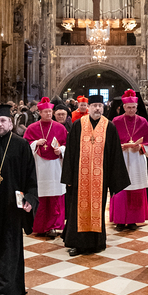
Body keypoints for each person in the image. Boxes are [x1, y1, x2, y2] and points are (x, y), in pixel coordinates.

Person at [0, 105, 38, 295]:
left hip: (13, 205)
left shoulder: (21, 145)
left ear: (11, 124)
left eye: (3, 121)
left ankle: (2, 291)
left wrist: (30, 198)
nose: (0, 124)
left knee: (9, 246)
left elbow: (30, 176)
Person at [61, 93, 130, 256]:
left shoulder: (109, 126)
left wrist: (115, 180)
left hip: (101, 177)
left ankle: (97, 243)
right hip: (79, 177)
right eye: (94, 106)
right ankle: (77, 244)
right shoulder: (78, 125)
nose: (97, 109)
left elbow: (115, 154)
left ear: (103, 107)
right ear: (89, 108)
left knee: (97, 209)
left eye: (100, 106)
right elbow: (70, 151)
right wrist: (68, 176)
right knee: (77, 210)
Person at [109, 89, 148, 232]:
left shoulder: (142, 122)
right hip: (121, 159)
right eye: (128, 107)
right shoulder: (116, 121)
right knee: (121, 190)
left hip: (137, 160)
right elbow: (110, 142)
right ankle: (120, 220)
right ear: (123, 107)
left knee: (136, 190)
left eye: (134, 107)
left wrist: (140, 147)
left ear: (137, 107)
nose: (131, 110)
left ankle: (133, 220)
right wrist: (120, 147)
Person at [23, 97, 68, 237]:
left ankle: (53, 227)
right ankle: (40, 226)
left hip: (55, 167)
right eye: (46, 112)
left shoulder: (60, 128)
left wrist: (61, 150)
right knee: (40, 197)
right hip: (39, 167)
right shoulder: (32, 128)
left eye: (50, 111)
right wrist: (35, 143)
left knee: (55, 198)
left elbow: (67, 145)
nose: (48, 114)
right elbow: (24, 146)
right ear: (40, 113)